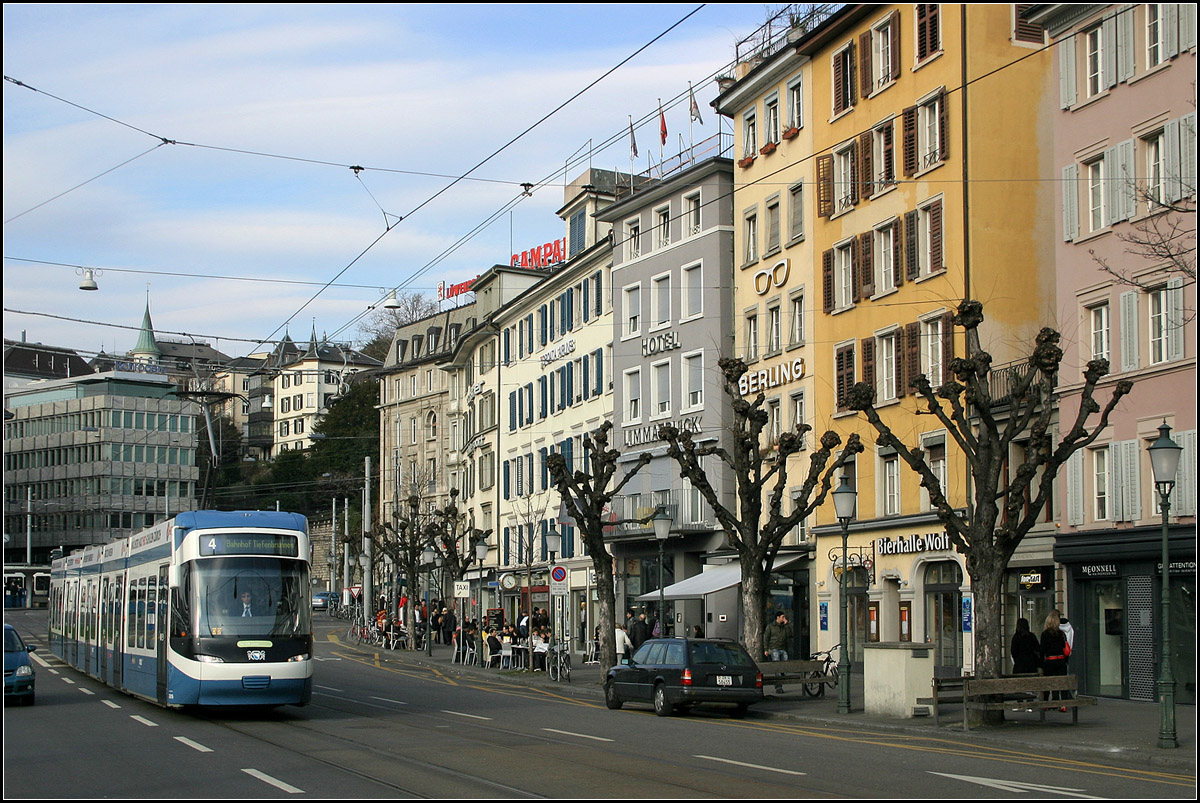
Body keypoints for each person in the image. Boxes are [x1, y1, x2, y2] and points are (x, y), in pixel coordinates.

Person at [1040, 610, 1070, 708]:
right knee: (1062, 684)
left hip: (1050, 660)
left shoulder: (1045, 634)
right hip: (1061, 660)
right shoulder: (1061, 634)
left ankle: (1045, 704)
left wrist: (1041, 663)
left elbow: (1042, 650)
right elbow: (1064, 648)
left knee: (1047, 683)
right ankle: (1064, 705)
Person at [764, 611, 791, 694]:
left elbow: (789, 635)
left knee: (784, 664)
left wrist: (787, 625)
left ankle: (782, 677)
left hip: (782, 648)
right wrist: (766, 649)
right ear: (778, 617)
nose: (784, 618)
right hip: (774, 648)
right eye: (782, 617)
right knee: (777, 667)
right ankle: (778, 687)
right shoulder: (770, 626)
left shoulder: (784, 626)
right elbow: (766, 638)